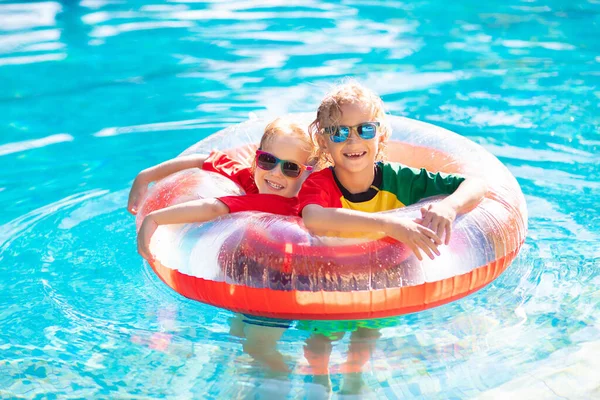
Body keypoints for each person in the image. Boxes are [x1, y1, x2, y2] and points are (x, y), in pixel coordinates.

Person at [297, 81, 488, 394]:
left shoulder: (400, 180)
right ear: (323, 140)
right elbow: (314, 219)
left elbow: (476, 185)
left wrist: (449, 207)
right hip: (328, 280)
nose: (353, 140)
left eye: (365, 129)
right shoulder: (320, 184)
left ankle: (354, 378)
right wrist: (391, 225)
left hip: (382, 280)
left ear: (381, 133)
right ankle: (320, 380)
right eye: (339, 132)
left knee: (367, 333)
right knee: (320, 339)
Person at [130, 118, 318, 375]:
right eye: (268, 161)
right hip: (245, 277)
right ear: (256, 160)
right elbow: (205, 160)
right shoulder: (253, 184)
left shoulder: (284, 207)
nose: (275, 173)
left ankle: (281, 380)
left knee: (258, 349)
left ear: (307, 175)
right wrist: (146, 176)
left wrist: (155, 218)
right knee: (241, 340)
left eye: (291, 168)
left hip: (276, 286)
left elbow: (213, 207)